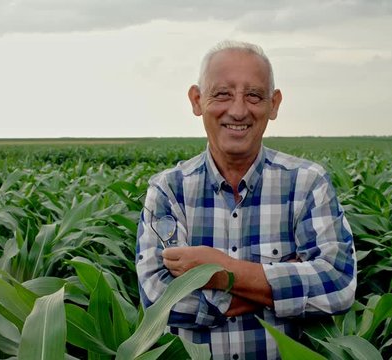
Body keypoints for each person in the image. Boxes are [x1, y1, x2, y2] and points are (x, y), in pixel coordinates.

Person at [136, 40, 356, 360]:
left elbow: (336, 285)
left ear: (274, 104)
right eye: (222, 94)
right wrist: (275, 284)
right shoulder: (168, 191)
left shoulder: (308, 184)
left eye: (253, 95)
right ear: (197, 100)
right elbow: (159, 302)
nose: (238, 110)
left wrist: (219, 271)